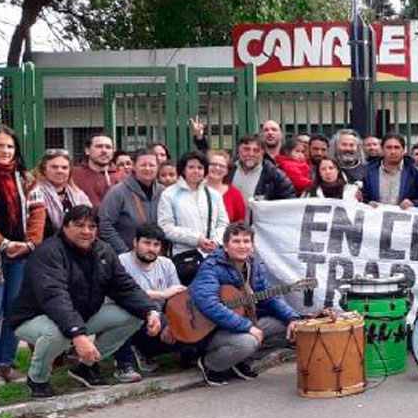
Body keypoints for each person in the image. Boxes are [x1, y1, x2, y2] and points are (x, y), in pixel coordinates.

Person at [10, 205, 160, 398]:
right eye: (79, 225)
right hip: (35, 317)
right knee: (56, 334)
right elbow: (55, 297)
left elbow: (125, 287)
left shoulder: (104, 251)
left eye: (92, 226)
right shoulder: (48, 252)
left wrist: (150, 311)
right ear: (65, 226)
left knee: (134, 316)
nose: (86, 231)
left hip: (79, 316)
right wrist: (77, 334)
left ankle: (84, 365)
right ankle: (38, 379)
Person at [188, 222, 302, 386]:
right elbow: (209, 304)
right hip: (209, 330)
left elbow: (270, 295)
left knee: (288, 328)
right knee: (248, 341)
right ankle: (210, 365)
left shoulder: (253, 266)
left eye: (246, 241)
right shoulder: (211, 267)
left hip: (236, 324)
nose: (242, 246)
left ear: (252, 245)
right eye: (236, 241)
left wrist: (292, 317)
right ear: (226, 246)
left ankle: (238, 361)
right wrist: (246, 327)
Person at [0, 126, 45, 387]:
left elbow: (37, 211)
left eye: (10, 146)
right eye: (0, 145)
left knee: (14, 312)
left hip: (21, 255)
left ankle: (6, 363)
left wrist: (30, 243)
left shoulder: (26, 178)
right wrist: (3, 244)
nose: (5, 150)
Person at [112, 223, 186, 382]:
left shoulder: (166, 264)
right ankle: (124, 363)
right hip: (131, 315)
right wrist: (161, 294)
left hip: (157, 319)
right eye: (146, 243)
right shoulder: (120, 262)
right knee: (122, 314)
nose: (151, 248)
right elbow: (123, 294)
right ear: (135, 242)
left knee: (186, 331)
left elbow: (177, 296)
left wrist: (174, 324)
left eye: (156, 244)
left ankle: (145, 352)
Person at [158, 151, 230, 276]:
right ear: (183, 170)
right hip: (183, 258)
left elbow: (223, 222)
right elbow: (165, 227)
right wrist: (197, 240)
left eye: (200, 167)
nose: (196, 171)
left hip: (213, 256)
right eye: (191, 167)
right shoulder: (169, 194)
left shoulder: (214, 195)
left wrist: (215, 242)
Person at [99, 148, 163, 255]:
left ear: (158, 167)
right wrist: (125, 253)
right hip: (125, 257)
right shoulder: (118, 192)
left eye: (152, 165)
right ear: (134, 166)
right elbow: (105, 225)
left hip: (155, 257)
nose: (147, 169)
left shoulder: (163, 192)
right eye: (143, 165)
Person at [32, 149, 92, 238]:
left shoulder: (78, 195)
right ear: (44, 170)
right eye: (54, 167)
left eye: (64, 167)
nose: (60, 171)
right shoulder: (35, 193)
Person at [363, 134, 418, 209]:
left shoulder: (416, 173)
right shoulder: (368, 173)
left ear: (404, 150)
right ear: (382, 150)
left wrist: (413, 203)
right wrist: (367, 203)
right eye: (389, 147)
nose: (393, 151)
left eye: (397, 147)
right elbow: (362, 197)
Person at [232, 135, 295, 202]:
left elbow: (289, 203)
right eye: (246, 149)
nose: (251, 154)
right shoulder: (228, 171)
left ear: (263, 152)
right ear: (238, 150)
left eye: (256, 150)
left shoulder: (275, 175)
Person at [71, 133, 124, 206]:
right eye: (99, 146)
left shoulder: (122, 176)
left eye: (108, 147)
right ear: (87, 151)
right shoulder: (74, 175)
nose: (104, 151)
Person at [205, 150, 248, 223]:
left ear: (227, 171)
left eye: (222, 166)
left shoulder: (235, 194)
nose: (217, 168)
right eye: (213, 164)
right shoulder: (196, 189)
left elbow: (240, 223)